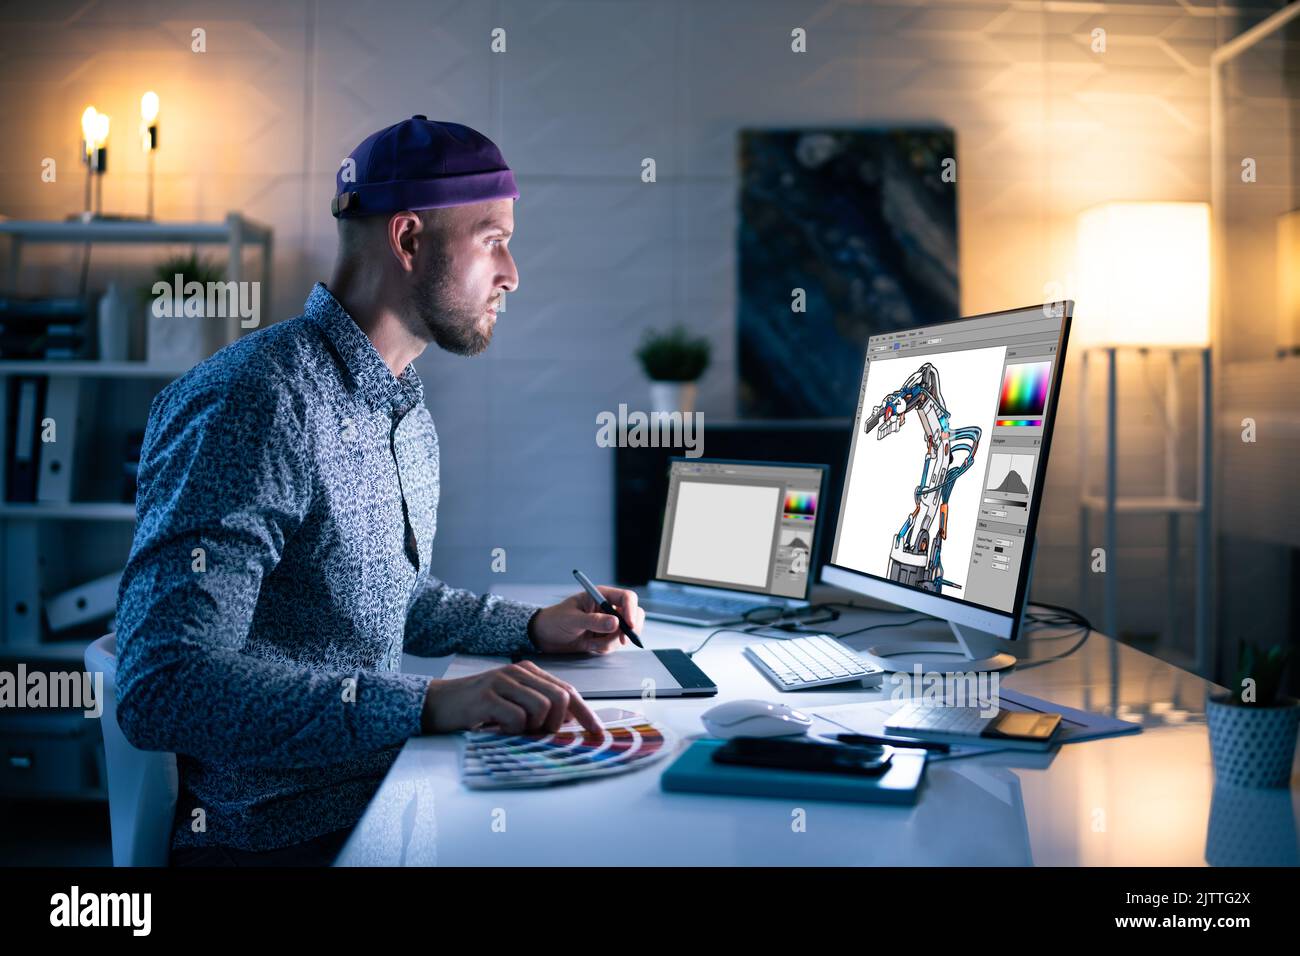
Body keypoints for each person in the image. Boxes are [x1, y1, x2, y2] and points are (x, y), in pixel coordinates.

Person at [114, 116, 645, 867]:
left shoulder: (402, 406)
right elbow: (164, 684)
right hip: (289, 842)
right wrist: (428, 704)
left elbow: (389, 598)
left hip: (390, 799)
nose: (513, 273)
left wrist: (534, 628)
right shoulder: (255, 400)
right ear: (408, 240)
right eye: (493, 239)